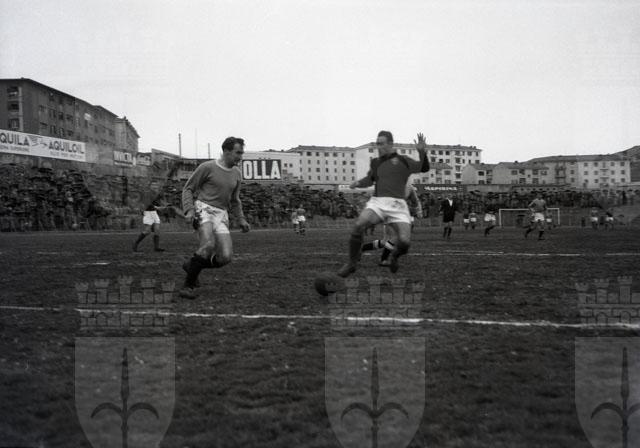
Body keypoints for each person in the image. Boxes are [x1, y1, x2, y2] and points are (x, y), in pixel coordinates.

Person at [337, 130, 429, 277]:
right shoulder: (375, 162)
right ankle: (351, 263)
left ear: (390, 144)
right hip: (378, 201)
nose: (379, 147)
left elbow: (423, 168)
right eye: (377, 144)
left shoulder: (403, 160)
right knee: (358, 225)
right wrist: (358, 183)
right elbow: (370, 179)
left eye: (381, 144)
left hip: (398, 205)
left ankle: (395, 256)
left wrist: (422, 152)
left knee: (404, 242)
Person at [179, 136, 251, 299]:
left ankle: (191, 265)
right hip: (203, 209)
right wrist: (189, 210)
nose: (240, 157)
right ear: (226, 151)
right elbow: (188, 189)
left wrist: (241, 218)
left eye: (242, 153)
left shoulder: (237, 174)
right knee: (208, 245)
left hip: (221, 214)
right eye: (238, 153)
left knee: (225, 257)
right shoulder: (207, 167)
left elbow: (235, 199)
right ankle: (187, 286)